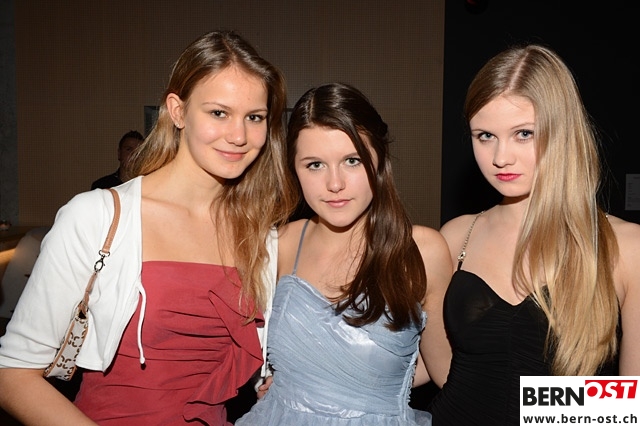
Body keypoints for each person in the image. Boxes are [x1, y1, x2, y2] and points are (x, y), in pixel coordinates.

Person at [0, 30, 294, 425]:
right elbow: (13, 374)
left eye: (254, 117)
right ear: (177, 111)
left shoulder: (260, 234)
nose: (239, 136)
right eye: (218, 113)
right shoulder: (96, 216)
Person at [427, 43, 640, 425]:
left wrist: (531, 407)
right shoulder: (457, 235)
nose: (500, 157)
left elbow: (630, 404)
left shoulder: (626, 247)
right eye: (484, 136)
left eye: (523, 133)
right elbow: (444, 373)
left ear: (563, 132)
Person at [235, 82, 452, 425]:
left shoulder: (421, 251)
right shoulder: (281, 243)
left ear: (379, 159)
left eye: (352, 161)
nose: (334, 184)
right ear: (294, 169)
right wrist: (295, 383)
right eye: (314, 165)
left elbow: (447, 370)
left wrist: (363, 389)